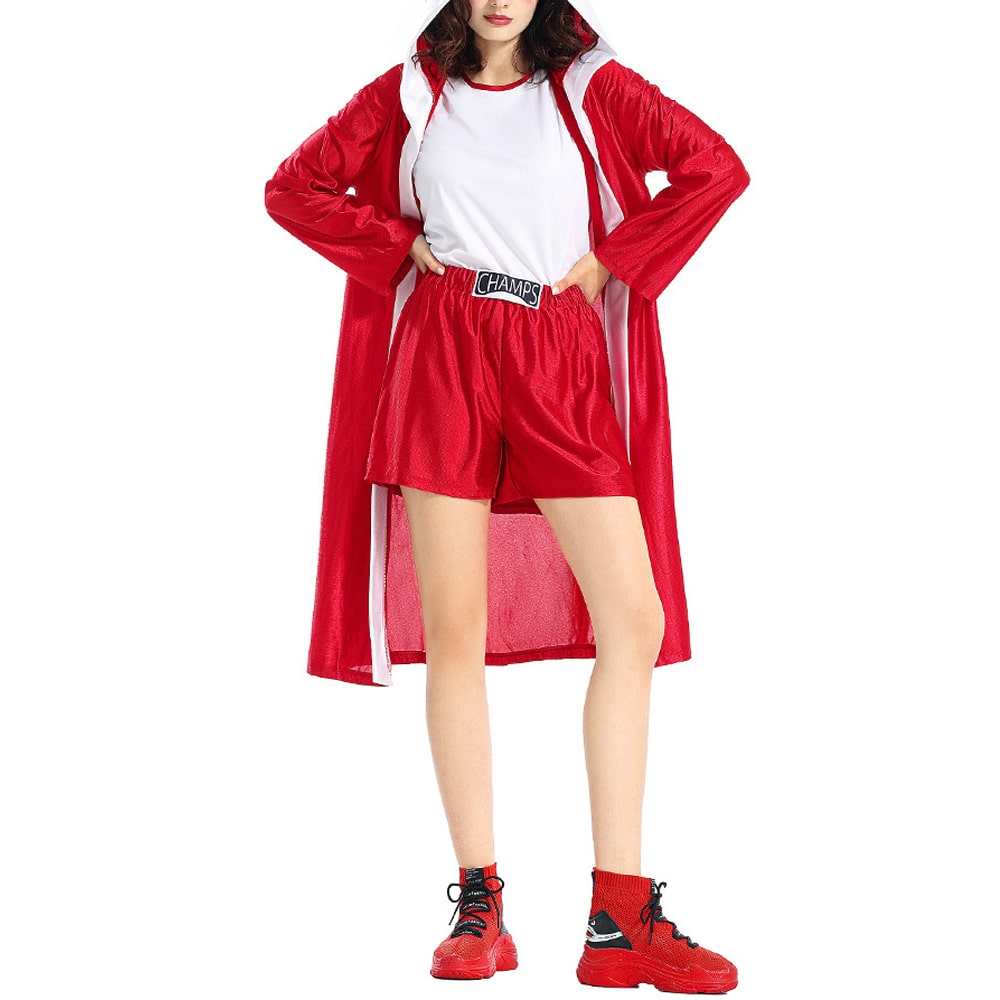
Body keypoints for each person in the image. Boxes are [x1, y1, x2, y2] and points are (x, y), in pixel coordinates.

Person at [264, 0, 749, 990]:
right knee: (455, 628)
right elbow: (292, 187)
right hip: (444, 346)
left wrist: (617, 259)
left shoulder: (593, 84)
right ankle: (480, 906)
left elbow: (715, 166)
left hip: (557, 348)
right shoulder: (410, 92)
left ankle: (619, 917)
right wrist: (393, 245)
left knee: (634, 618)